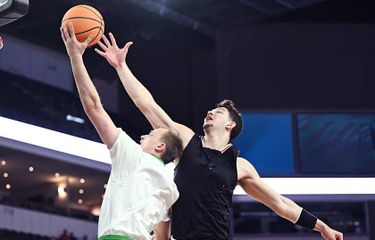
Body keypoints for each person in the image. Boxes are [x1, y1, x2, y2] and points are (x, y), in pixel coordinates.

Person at [95, 33, 344, 240]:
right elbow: (147, 104)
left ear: (231, 125)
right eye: (211, 110)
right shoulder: (186, 141)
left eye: (219, 111)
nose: (210, 112)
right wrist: (121, 67)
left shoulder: (240, 166)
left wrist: (321, 226)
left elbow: (279, 204)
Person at [60, 24, 182, 240]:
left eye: (149, 135)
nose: (143, 137)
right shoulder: (170, 187)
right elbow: (162, 237)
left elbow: (94, 107)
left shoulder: (134, 156)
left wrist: (75, 56)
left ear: (159, 147)